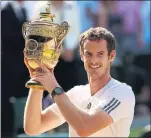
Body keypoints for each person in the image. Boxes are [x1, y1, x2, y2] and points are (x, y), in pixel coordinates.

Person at [24, 27, 135, 137]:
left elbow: (85, 128)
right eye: (89, 54)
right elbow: (33, 128)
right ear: (82, 55)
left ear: (111, 56)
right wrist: (38, 78)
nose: (94, 60)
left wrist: (53, 86)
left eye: (100, 54)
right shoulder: (76, 93)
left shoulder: (122, 92)